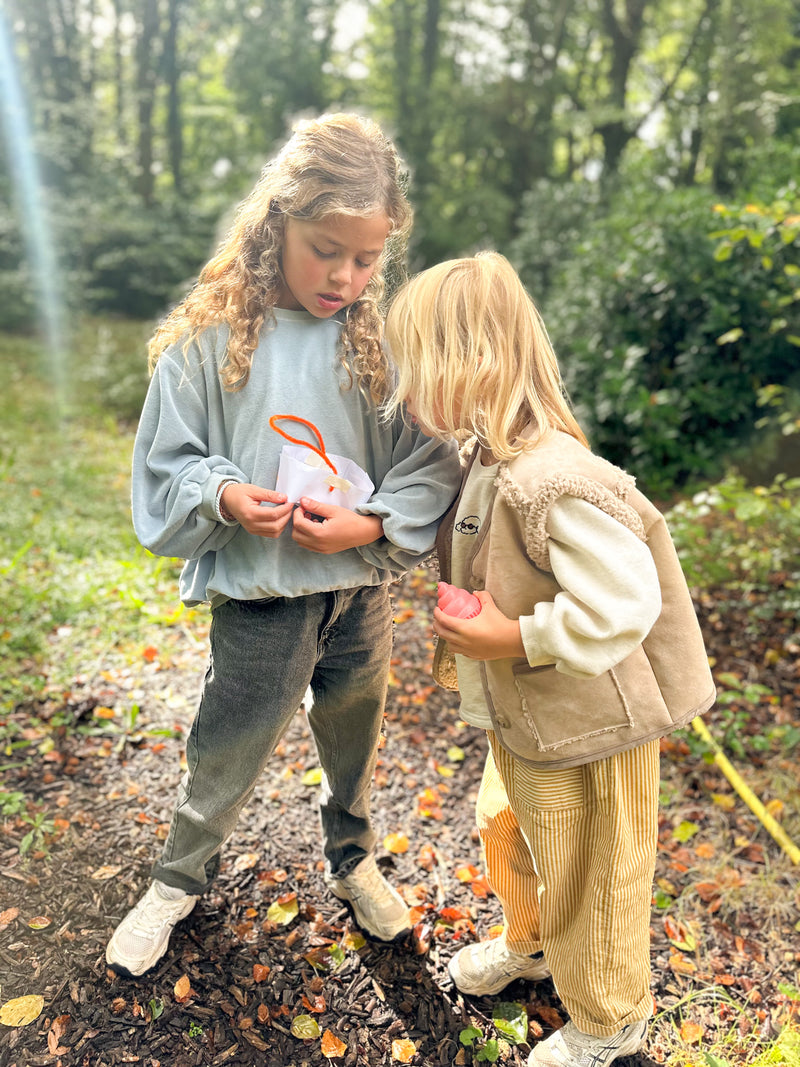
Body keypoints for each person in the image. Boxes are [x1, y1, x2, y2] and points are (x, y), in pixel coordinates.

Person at [105, 113, 461, 978]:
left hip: (358, 595)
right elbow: (170, 460)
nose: (345, 276)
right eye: (324, 249)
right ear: (277, 226)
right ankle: (179, 876)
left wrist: (370, 522)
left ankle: (353, 858)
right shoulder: (210, 343)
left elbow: (432, 460)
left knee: (354, 731)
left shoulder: (380, 347)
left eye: (366, 258)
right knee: (229, 740)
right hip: (264, 598)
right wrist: (225, 493)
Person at [383, 252, 715, 1067]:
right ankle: (531, 942)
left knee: (597, 872)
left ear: (476, 362)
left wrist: (512, 637)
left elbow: (623, 602)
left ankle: (610, 1021)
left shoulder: (553, 478)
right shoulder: (489, 461)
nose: (403, 390)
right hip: (531, 717)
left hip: (594, 728)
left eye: (415, 368)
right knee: (517, 828)